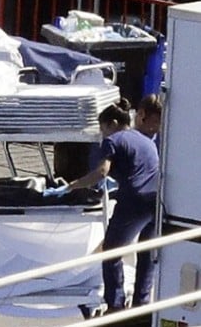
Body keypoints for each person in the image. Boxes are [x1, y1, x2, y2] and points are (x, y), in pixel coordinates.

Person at [60, 99, 159, 312]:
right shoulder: (145, 139)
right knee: (147, 252)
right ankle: (142, 303)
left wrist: (72, 186)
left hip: (133, 202)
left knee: (112, 253)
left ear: (112, 123)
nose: (102, 134)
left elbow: (102, 172)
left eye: (102, 128)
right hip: (156, 201)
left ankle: (115, 305)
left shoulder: (113, 140)